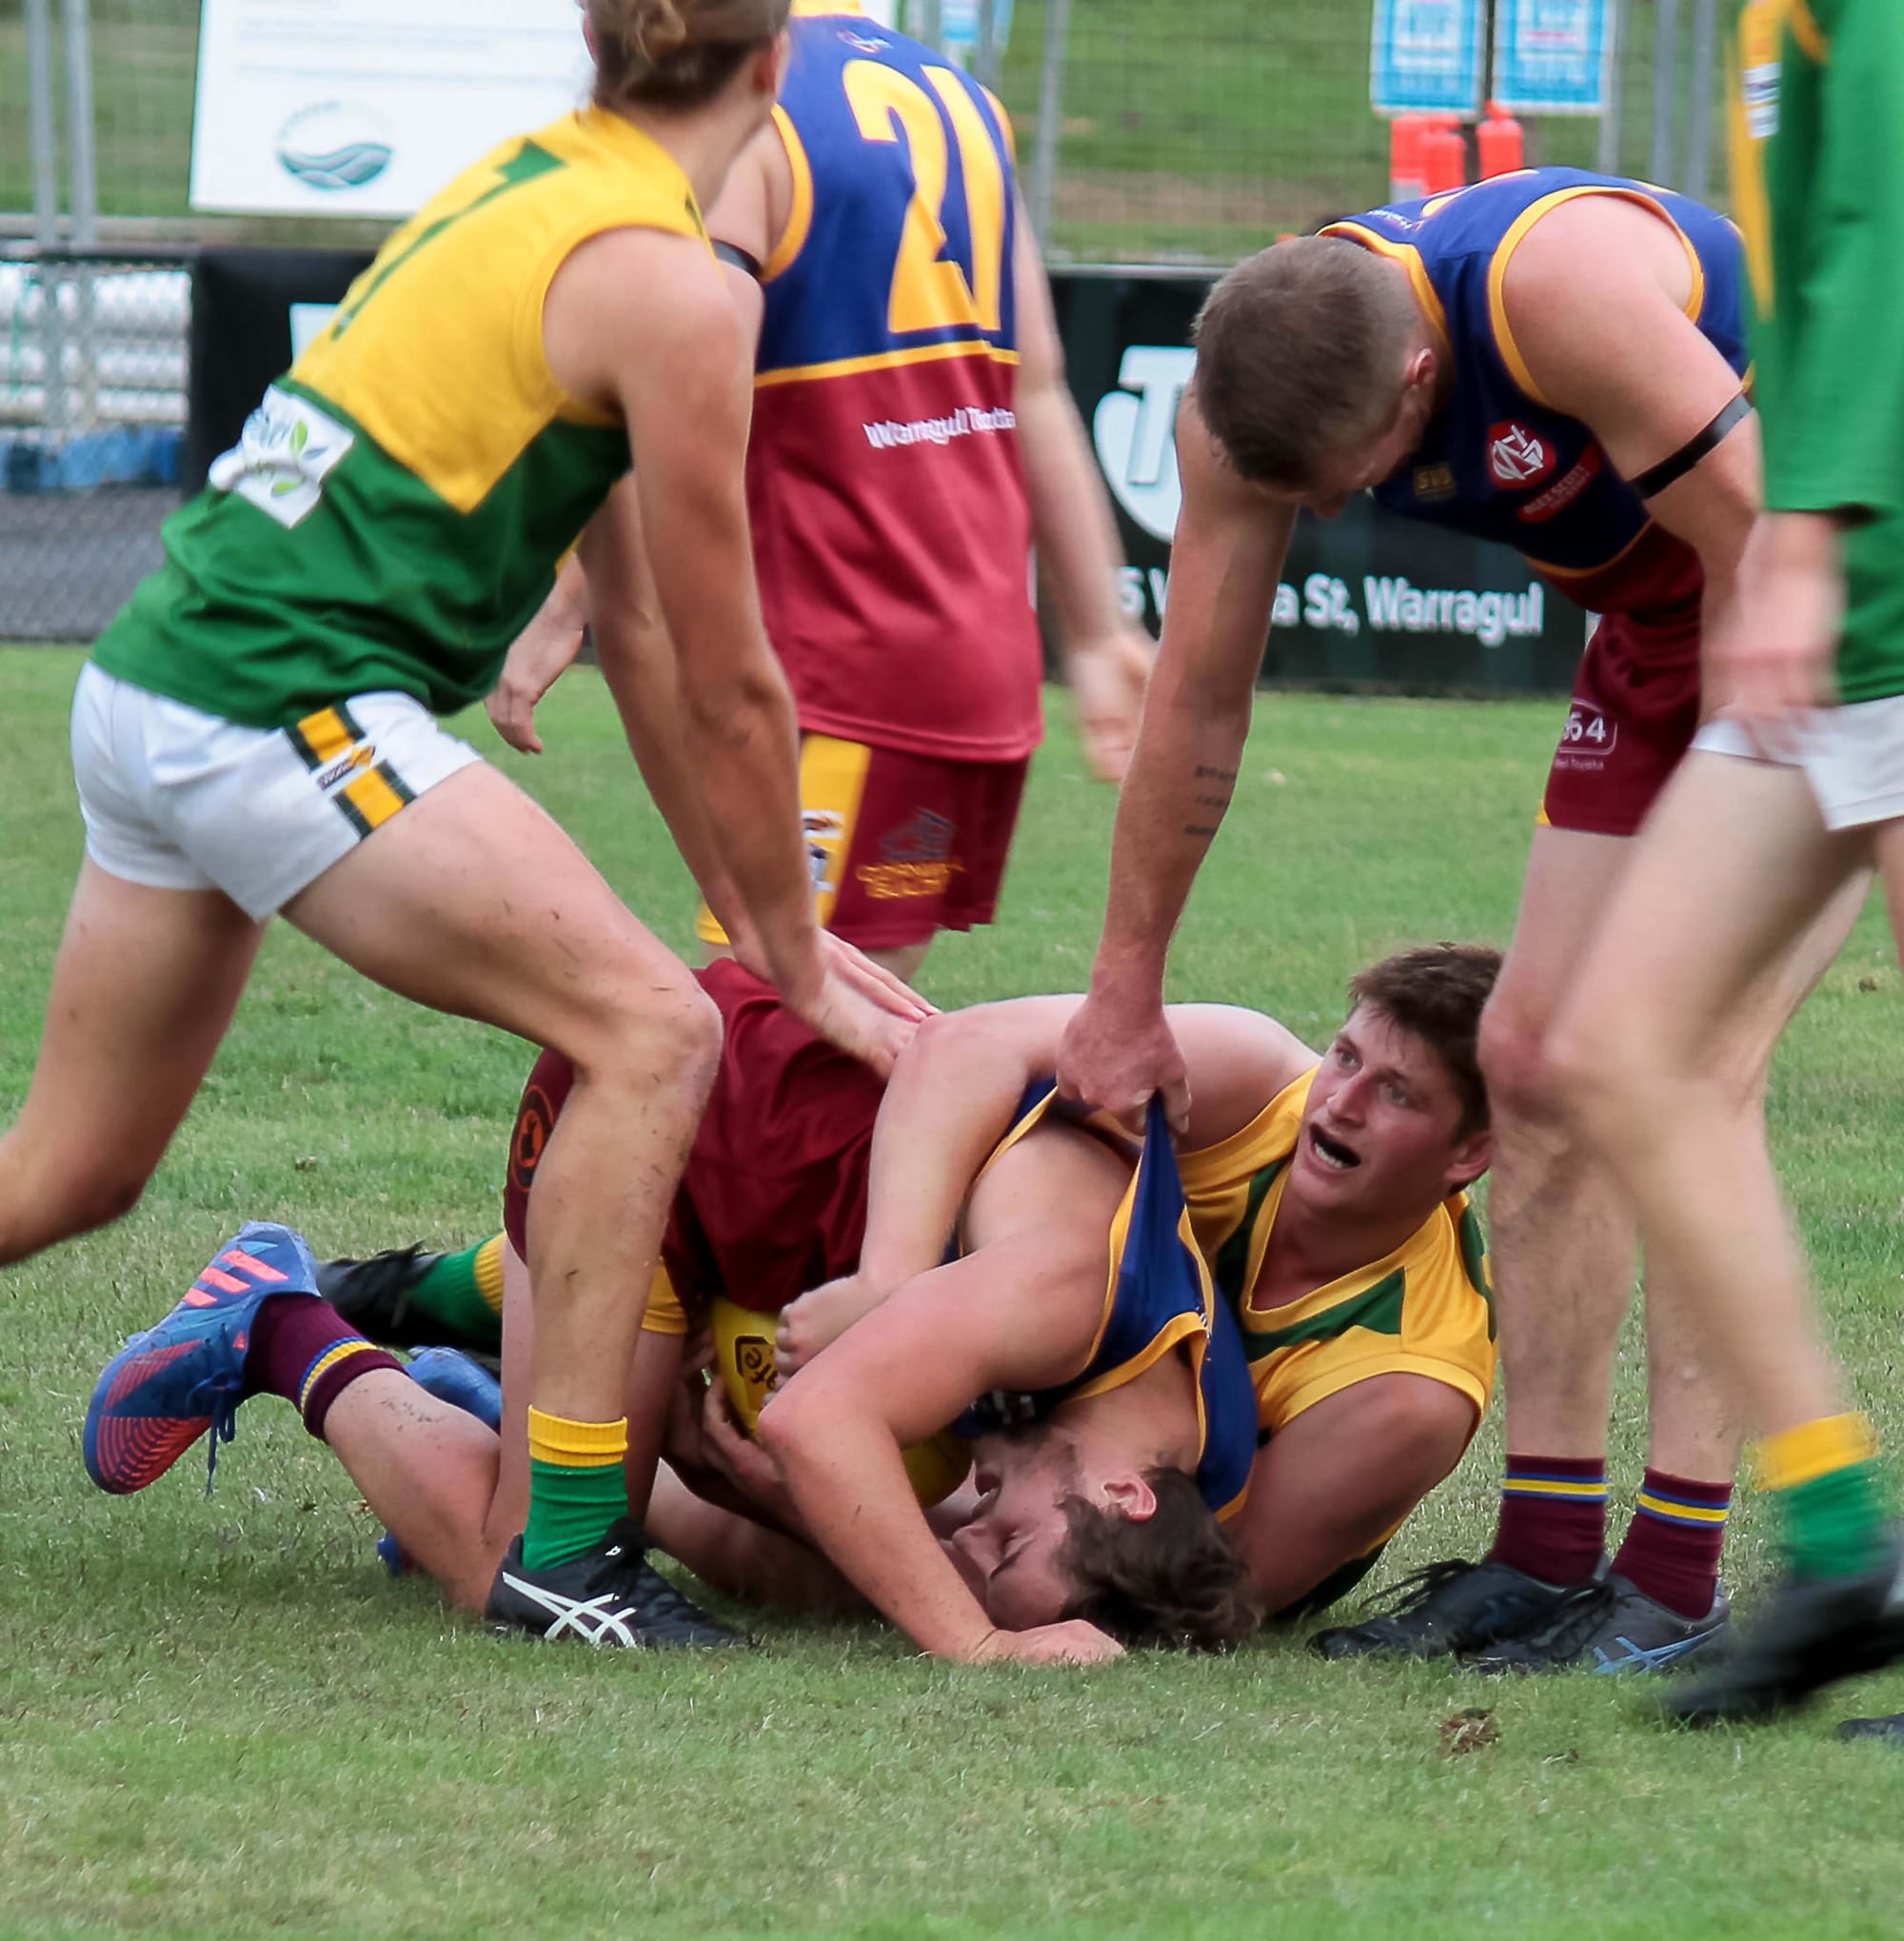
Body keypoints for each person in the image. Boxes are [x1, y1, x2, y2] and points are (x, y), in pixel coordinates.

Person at [46, 0, 925, 1651]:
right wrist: (793, 962)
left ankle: (354, 1375)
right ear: (772, 73)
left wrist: (754, 918)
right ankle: (568, 1559)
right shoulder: (676, 285)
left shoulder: (530, 180)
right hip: (272, 698)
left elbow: (650, 643)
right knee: (654, 1032)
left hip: (165, 682)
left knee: (64, 1178)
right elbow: (735, 685)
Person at [1048, 168, 1867, 1676]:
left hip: (1828, 597)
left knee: (1678, 1069)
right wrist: (1124, 988)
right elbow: (1200, 701)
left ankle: (1680, 1576)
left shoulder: (1561, 292)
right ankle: (1550, 1560)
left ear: (1423, 372)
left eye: (1359, 468)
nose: (1340, 509)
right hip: (1662, 624)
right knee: (1535, 1055)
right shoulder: (1248, 403)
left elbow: (1780, 563)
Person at [148, 944, 1501, 1660]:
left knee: (838, 1554)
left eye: (1396, 1095)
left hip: (775, 1229)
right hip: (675, 1122)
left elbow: (1192, 1588)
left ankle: (501, 1396)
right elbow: (827, 1425)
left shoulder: (1226, 1426)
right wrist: (969, 1639)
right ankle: (282, 1319)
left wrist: (901, 1542)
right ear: (1138, 1492)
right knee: (539, 1575)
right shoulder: (1070, 1293)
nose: (971, 1528)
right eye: (1001, 1538)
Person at [490, 0, 1149, 980]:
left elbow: (688, 394)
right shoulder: (959, 97)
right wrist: (1095, 630)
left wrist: (575, 594)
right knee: (829, 1045)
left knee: (781, 1036)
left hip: (838, 644)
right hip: (967, 649)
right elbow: (1038, 379)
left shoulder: (731, 96)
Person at [1542, 0, 1904, 1725]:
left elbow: (1885, 228)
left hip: (1876, 578)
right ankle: (1847, 1544)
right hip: (1850, 606)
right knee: (1615, 1046)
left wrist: (1813, 533)